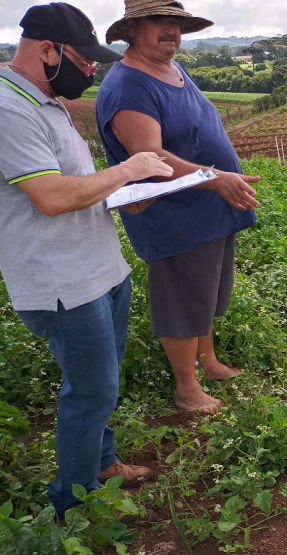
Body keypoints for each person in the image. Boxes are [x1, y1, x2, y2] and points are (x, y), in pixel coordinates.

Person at [0, 3, 174, 517]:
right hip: (63, 283)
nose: (92, 70)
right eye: (83, 60)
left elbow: (76, 186)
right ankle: (73, 508)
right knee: (91, 392)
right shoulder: (9, 109)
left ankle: (101, 464)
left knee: (103, 385)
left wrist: (122, 197)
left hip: (100, 270)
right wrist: (129, 169)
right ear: (47, 50)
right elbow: (52, 197)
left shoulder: (48, 102)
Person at [96, 0, 260, 415]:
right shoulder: (129, 86)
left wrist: (217, 181)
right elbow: (150, 158)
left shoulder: (172, 69)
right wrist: (214, 177)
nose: (170, 30)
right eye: (158, 20)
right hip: (176, 215)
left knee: (204, 294)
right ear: (132, 29)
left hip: (207, 207)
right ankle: (187, 389)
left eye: (176, 22)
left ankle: (208, 362)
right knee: (184, 300)